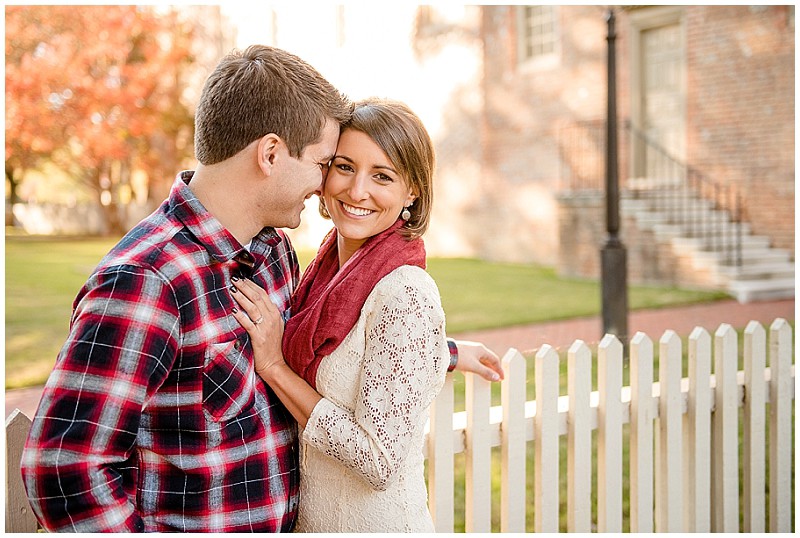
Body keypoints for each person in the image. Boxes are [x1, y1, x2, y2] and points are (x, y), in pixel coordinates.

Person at [20, 46, 501, 532]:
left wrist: (438, 349)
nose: (326, 186)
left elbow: (326, 345)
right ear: (271, 154)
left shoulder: (273, 252)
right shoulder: (148, 280)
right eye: (325, 163)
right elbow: (65, 470)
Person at [230, 98, 472, 532]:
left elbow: (377, 459)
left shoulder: (405, 291)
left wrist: (274, 366)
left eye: (382, 176)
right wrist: (449, 352)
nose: (357, 191)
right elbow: (372, 357)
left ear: (412, 191)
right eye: (344, 167)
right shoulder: (326, 272)